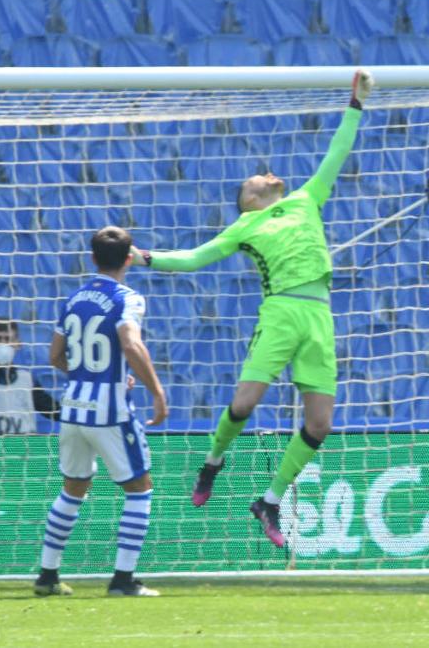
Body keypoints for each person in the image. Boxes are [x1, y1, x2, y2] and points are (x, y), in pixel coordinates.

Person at [130, 68, 373, 548]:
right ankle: (213, 463)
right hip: (281, 312)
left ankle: (271, 500)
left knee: (320, 423)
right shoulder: (244, 226)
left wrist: (355, 104)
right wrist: (148, 257)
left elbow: (336, 154)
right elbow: (196, 257)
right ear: (250, 199)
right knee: (245, 403)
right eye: (255, 178)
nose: (264, 174)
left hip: (319, 316)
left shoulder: (306, 198)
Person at [33, 226, 168, 598]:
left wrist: (88, 376)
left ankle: (47, 576)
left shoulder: (74, 299)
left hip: (73, 406)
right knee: (140, 488)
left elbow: (56, 356)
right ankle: (123, 580)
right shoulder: (129, 298)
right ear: (129, 259)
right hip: (110, 410)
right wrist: (156, 391)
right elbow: (130, 342)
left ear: (92, 258)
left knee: (74, 487)